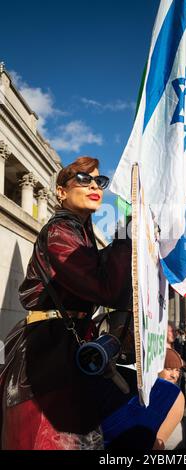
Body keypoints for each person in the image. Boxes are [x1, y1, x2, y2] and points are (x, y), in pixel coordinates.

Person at [0, 156, 134, 450]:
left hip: (65, 350)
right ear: (60, 191)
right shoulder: (60, 231)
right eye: (83, 179)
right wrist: (128, 233)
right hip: (45, 358)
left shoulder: (80, 234)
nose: (94, 186)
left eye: (99, 181)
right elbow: (105, 286)